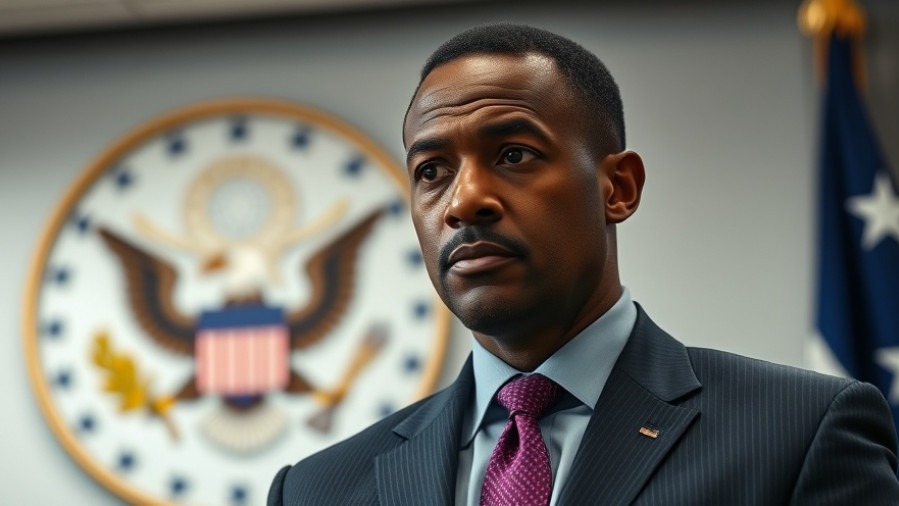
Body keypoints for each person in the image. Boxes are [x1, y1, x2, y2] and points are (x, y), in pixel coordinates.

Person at [268, 24, 899, 505]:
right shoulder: (317, 489)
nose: (464, 201)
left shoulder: (800, 433)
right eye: (432, 172)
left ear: (618, 188)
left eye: (513, 154)